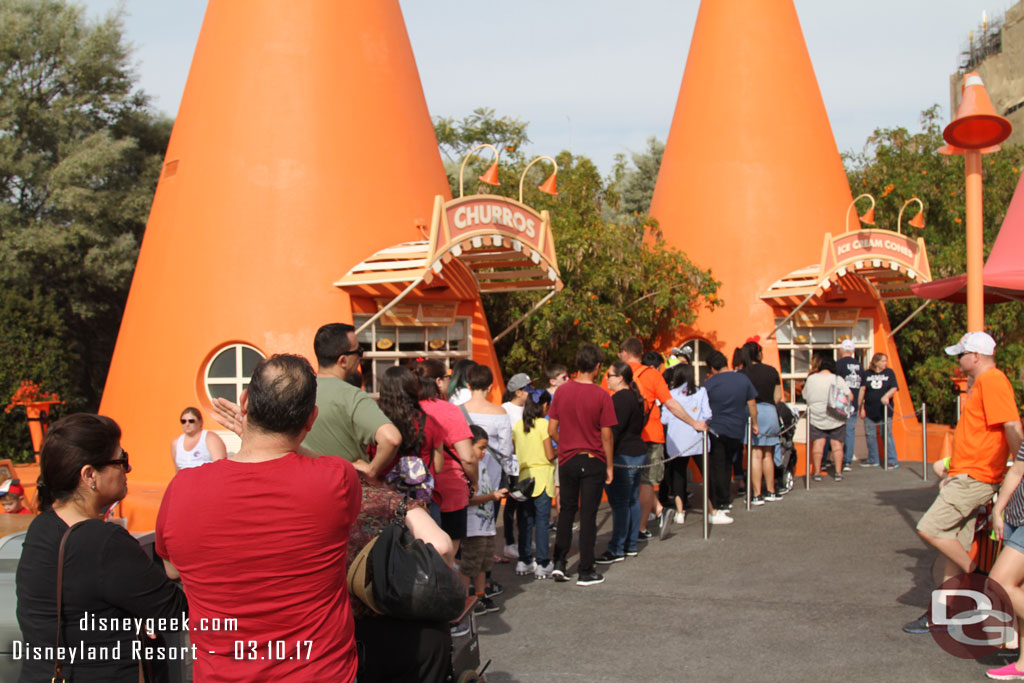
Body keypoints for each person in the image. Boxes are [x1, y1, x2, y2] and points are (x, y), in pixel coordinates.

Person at [157, 354, 362, 681]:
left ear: (244, 401)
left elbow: (171, 567)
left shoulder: (182, 488)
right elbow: (342, 475)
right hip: (321, 672)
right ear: (311, 420)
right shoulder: (336, 479)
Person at [17, 413, 188, 683]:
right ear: (89, 475)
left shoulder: (41, 527)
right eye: (122, 461)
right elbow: (176, 612)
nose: (127, 470)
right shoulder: (104, 542)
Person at [904, 332, 1023, 635]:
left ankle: (979, 578)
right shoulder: (984, 382)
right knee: (953, 547)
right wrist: (951, 468)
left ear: (975, 356)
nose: (957, 361)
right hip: (970, 474)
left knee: (929, 528)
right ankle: (941, 613)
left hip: (976, 476)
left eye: (960, 355)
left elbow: (1011, 425)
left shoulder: (992, 381)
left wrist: (1018, 466)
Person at [214, 323, 402, 483]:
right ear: (343, 360)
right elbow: (391, 438)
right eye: (359, 351)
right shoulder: (352, 396)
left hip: (294, 485)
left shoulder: (295, 391)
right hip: (342, 487)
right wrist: (371, 470)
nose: (361, 356)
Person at [602, 337, 707, 541]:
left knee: (625, 487)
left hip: (623, 437)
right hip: (651, 434)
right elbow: (671, 404)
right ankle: (640, 528)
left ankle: (629, 530)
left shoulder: (613, 374)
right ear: (640, 353)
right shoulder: (652, 374)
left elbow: (603, 404)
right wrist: (693, 422)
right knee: (647, 482)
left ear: (624, 352)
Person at [549, 343, 617, 586]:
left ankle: (559, 562)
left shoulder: (562, 392)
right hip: (593, 458)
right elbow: (607, 435)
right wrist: (609, 465)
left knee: (566, 511)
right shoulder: (602, 395)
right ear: (598, 367)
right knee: (588, 514)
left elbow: (551, 429)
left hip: (567, 458)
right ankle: (586, 569)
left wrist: (566, 443)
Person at [983, 369, 1024, 681]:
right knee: (1016, 587)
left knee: (999, 582)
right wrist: (999, 509)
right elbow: (1017, 470)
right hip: (1016, 514)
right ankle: (1022, 664)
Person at [414, 359, 478, 554]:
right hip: (451, 489)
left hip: (416, 489)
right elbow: (467, 457)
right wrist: (474, 482)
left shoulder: (410, 408)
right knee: (449, 553)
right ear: (439, 381)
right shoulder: (450, 410)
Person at [596, 361, 647, 564]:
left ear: (620, 378)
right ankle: (630, 544)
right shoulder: (633, 397)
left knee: (620, 503)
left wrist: (605, 455)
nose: (607, 378)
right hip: (636, 452)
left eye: (610, 375)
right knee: (630, 500)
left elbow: (612, 431)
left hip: (624, 455)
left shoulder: (619, 399)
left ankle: (618, 548)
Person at [702, 350, 757, 524]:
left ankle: (721, 500)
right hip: (737, 428)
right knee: (730, 463)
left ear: (712, 367)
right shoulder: (743, 379)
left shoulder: (709, 384)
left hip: (716, 429)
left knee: (718, 466)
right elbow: (752, 404)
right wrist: (754, 423)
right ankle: (726, 497)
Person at [375, 366, 444, 499]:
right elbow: (438, 466)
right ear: (413, 389)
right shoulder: (429, 422)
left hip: (386, 497)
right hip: (421, 498)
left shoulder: (377, 423)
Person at [462, 425, 508, 616]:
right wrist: (491, 497)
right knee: (468, 565)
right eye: (480, 448)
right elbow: (466, 499)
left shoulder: (482, 464)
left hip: (487, 526)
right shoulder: (466, 467)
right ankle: (465, 601)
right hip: (473, 527)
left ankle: (480, 596)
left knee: (483, 564)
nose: (483, 452)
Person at [512, 393, 556, 578]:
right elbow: (549, 455)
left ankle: (524, 560)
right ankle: (543, 562)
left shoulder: (518, 426)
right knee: (542, 521)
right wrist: (561, 449)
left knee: (525, 521)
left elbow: (516, 451)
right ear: (544, 405)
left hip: (523, 478)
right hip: (542, 476)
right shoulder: (543, 425)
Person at [661, 363, 712, 522]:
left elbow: (664, 418)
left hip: (676, 441)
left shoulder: (670, 394)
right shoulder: (701, 391)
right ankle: (712, 509)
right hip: (697, 438)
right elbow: (708, 414)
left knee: (678, 476)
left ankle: (680, 512)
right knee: (706, 474)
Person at [740, 341, 783, 504]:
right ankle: (771, 491)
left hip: (752, 413)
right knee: (768, 454)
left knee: (755, 454)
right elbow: (778, 396)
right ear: (759, 353)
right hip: (770, 411)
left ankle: (757, 494)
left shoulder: (742, 373)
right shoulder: (771, 371)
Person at [802, 355, 852, 482]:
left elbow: (805, 395)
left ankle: (817, 472)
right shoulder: (837, 379)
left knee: (818, 444)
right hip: (835, 416)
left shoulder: (811, 379)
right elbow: (849, 396)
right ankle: (838, 472)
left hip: (816, 416)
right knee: (836, 445)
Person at [501, 373, 533, 562]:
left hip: (527, 463)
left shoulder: (529, 409)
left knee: (527, 504)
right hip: (512, 465)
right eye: (528, 388)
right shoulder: (505, 409)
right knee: (512, 504)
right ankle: (509, 543)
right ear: (518, 391)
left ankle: (525, 540)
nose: (531, 392)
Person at [858, 353, 899, 468]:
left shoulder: (889, 373)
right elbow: (862, 390)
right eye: (882, 361)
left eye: (885, 361)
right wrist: (860, 407)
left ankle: (892, 460)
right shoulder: (867, 374)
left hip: (885, 410)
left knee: (886, 434)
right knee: (870, 434)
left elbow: (894, 387)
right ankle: (873, 459)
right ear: (875, 362)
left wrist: (886, 396)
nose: (885, 363)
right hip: (869, 410)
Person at [836, 339, 864, 472]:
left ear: (841, 350)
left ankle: (837, 459)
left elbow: (834, 383)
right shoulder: (859, 365)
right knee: (850, 432)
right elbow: (863, 386)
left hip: (840, 402)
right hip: (854, 402)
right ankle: (847, 460)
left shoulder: (839, 364)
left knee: (837, 431)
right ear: (852, 351)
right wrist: (860, 403)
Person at [171, 406, 227, 472]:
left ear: (200, 422)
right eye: (183, 421)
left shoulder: (210, 438)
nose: (187, 424)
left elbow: (220, 468)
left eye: (191, 421)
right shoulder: (176, 443)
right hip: (184, 481)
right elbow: (177, 471)